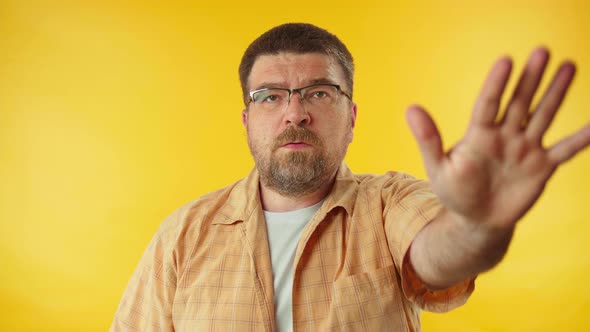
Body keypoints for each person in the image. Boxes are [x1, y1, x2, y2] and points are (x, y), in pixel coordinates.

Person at [110, 23, 590, 331]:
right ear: (246, 119)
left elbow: (443, 254)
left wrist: (478, 223)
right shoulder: (183, 234)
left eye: (318, 93)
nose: (295, 113)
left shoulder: (388, 204)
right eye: (270, 96)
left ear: (352, 115)